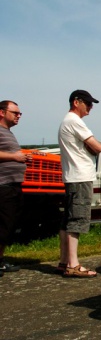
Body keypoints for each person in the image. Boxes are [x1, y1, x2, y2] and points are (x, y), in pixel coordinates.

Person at [58, 90, 101, 277]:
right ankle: (73, 265)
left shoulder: (66, 121)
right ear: (76, 102)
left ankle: (64, 261)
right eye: (87, 103)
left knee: (68, 220)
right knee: (77, 220)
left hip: (72, 176)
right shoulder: (75, 121)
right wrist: (93, 147)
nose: (90, 107)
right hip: (80, 176)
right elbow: (98, 147)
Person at [0, 100, 32, 277]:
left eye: (20, 113)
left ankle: (0, 260)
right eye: (15, 112)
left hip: (13, 185)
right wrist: (14, 156)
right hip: (3, 185)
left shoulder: (8, 133)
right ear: (2, 112)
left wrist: (22, 159)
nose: (19, 116)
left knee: (8, 226)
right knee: (3, 226)